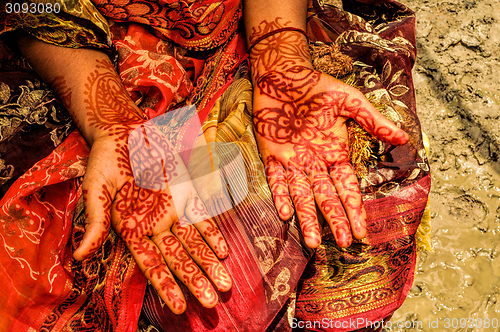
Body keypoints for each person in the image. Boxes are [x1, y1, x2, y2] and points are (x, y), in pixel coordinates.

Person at [0, 0, 430, 331]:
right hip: (77, 56)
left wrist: (279, 56)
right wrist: (112, 120)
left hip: (262, 22)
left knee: (366, 179)